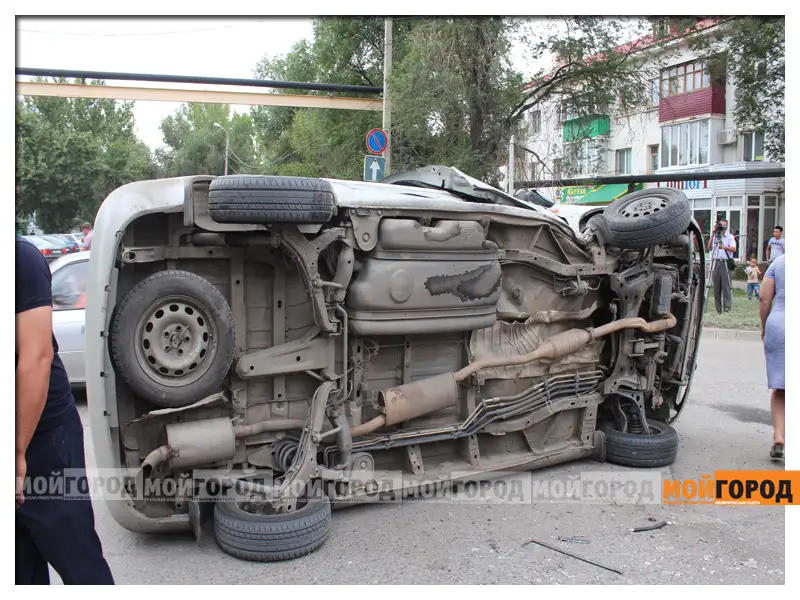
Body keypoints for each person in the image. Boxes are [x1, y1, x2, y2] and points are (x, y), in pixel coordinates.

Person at [15, 235, 114, 584]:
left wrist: (17, 451)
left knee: (75, 555)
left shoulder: (19, 258)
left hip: (43, 439)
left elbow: (36, 357)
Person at [760, 253, 785, 462]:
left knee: (781, 388)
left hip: (780, 325)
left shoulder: (780, 262)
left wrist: (764, 325)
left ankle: (779, 437)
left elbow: (764, 298)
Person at [707, 218, 736, 313]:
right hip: (716, 262)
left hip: (725, 262)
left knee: (726, 286)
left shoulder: (730, 237)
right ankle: (718, 309)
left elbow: (734, 249)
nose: (721, 227)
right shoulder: (716, 236)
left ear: (726, 227)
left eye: (723, 226)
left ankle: (727, 307)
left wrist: (723, 247)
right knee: (716, 287)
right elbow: (709, 247)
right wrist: (712, 234)